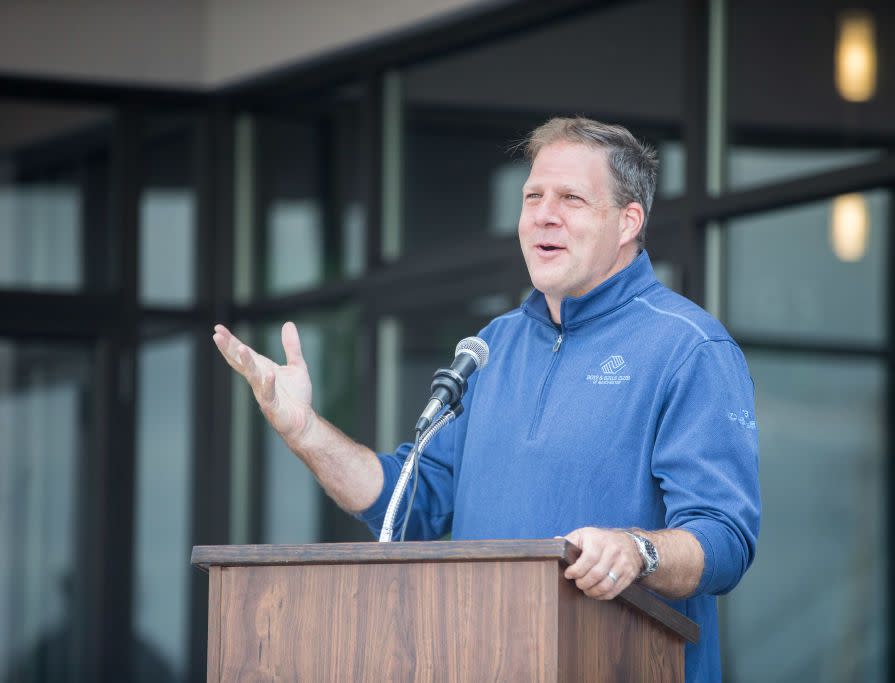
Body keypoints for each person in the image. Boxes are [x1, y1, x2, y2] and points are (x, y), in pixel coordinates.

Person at [213, 116, 760, 681]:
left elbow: (724, 538)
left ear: (628, 221)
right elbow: (411, 502)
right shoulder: (492, 346)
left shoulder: (689, 347)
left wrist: (636, 551)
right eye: (533, 196)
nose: (544, 214)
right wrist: (303, 429)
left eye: (571, 198)